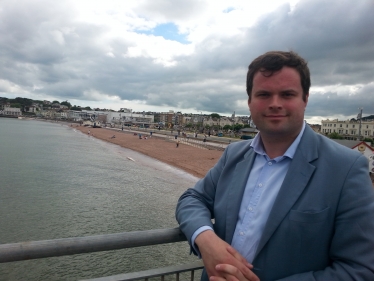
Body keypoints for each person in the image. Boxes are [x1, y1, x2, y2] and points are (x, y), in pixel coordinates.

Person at [176, 51, 374, 281]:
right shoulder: (235, 154)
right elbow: (192, 199)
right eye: (264, 94)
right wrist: (205, 239)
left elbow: (359, 269)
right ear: (250, 101)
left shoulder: (346, 168)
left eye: (287, 94)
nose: (275, 103)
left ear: (305, 99)